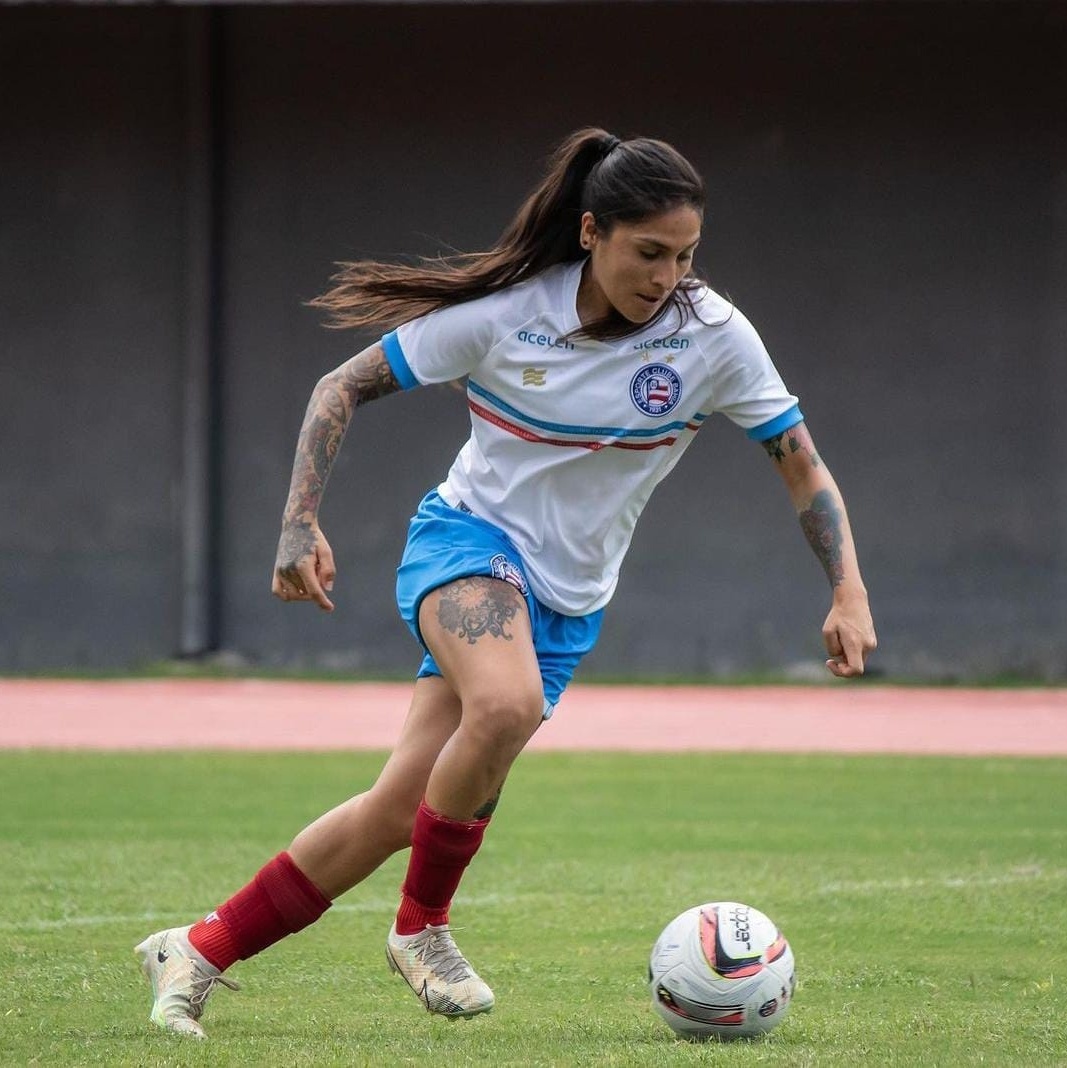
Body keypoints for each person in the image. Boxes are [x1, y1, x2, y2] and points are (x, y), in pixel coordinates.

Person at [134, 127, 876, 1038]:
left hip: (568, 601)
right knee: (505, 704)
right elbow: (340, 386)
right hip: (465, 543)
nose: (666, 275)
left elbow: (801, 467)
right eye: (648, 252)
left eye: (684, 255)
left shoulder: (714, 339)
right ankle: (422, 929)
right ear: (592, 232)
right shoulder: (507, 316)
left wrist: (847, 590)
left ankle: (199, 947)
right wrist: (298, 522)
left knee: (398, 810)